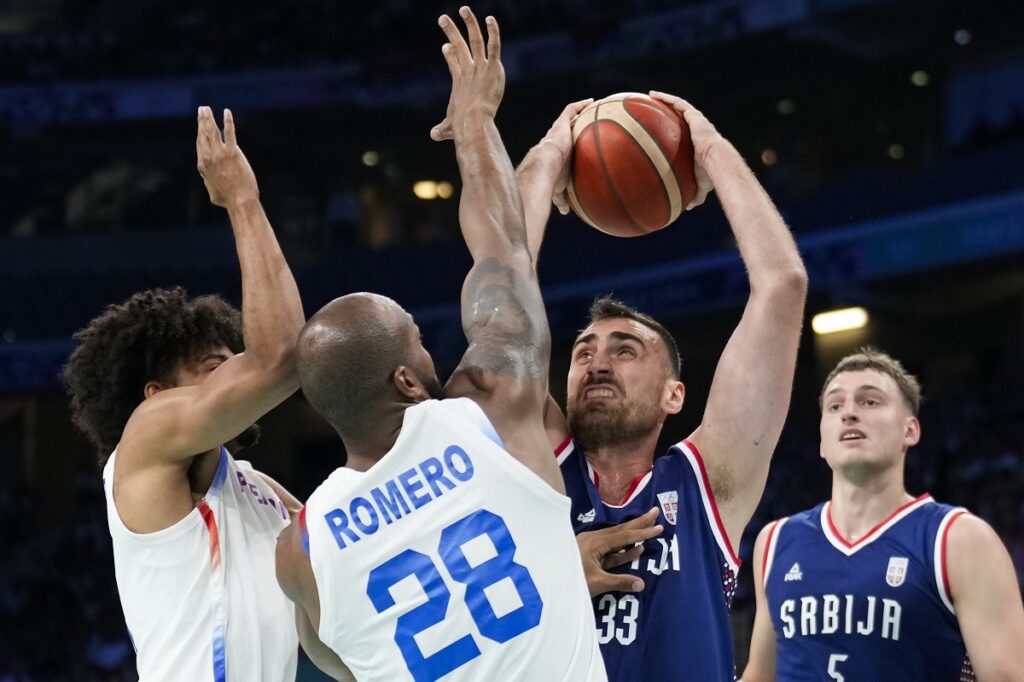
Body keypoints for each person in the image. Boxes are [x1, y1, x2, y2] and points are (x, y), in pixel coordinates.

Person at [274, 8, 606, 681]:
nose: (434, 355)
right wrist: (476, 123)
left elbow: (344, 665)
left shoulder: (300, 548)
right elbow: (504, 255)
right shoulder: (492, 410)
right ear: (403, 380)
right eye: (420, 343)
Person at [508, 93, 809, 680]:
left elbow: (782, 284)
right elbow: (502, 283)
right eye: (583, 351)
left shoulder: (708, 483)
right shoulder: (539, 462)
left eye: (625, 351)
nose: (597, 362)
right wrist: (549, 156)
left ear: (675, 394)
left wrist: (711, 149)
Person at [63, 107, 304, 681]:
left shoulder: (260, 490)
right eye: (215, 369)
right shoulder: (143, 442)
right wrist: (242, 199)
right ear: (157, 395)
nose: (237, 378)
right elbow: (280, 358)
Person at [742, 348, 1024, 681]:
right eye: (835, 405)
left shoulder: (959, 539)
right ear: (821, 440)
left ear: (910, 430)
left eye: (869, 402)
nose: (849, 413)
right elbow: (761, 676)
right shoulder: (774, 541)